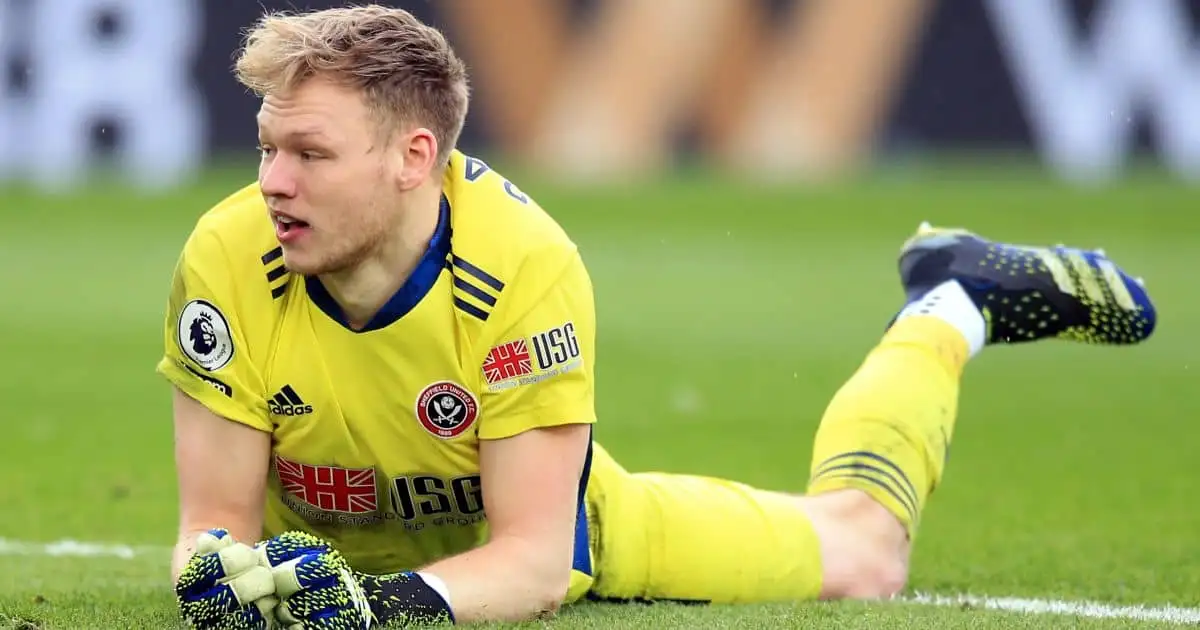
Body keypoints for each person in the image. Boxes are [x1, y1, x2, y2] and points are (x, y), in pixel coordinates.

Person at [158, 5, 1158, 629]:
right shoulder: (226, 258)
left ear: (414, 158)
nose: (273, 183)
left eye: (310, 155)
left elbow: (534, 562)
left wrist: (380, 611)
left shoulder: (519, 265)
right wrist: (217, 580)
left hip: (582, 534)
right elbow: (211, 527)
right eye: (265, 148)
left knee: (864, 559)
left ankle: (949, 303)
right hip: (340, 560)